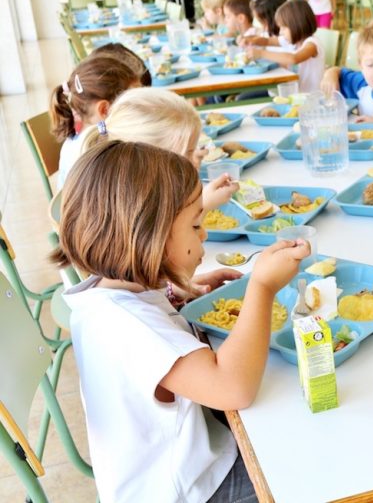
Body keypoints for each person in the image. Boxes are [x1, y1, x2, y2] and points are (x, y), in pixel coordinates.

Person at [54, 140, 309, 502]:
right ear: (149, 237)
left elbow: (147, 338)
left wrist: (175, 296)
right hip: (188, 489)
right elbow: (233, 389)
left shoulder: (105, 297)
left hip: (169, 470)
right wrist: (263, 288)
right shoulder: (130, 324)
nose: (204, 234)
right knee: (302, 467)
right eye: (194, 225)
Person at [79, 87, 238, 211]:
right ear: (148, 164)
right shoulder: (141, 207)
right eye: (188, 152)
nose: (194, 159)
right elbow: (175, 244)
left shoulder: (139, 187)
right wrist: (203, 206)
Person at [51, 56, 139, 188]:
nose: (141, 110)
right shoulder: (98, 155)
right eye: (135, 104)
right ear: (104, 109)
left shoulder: (81, 136)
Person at [320, 20, 373, 123]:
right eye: (370, 64)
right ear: (361, 66)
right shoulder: (362, 83)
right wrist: (330, 74)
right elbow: (340, 72)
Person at [245, 0, 324, 92]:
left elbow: (294, 59)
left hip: (311, 98)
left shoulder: (312, 44)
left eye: (283, 27)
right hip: (296, 94)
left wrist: (261, 53)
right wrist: (250, 39)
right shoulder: (294, 41)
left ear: (296, 25)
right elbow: (267, 41)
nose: (280, 32)